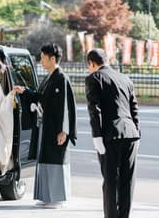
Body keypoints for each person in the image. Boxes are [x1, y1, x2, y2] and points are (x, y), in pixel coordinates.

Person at [85, 48, 140, 218]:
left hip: (110, 135)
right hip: (131, 133)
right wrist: (137, 132)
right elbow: (134, 109)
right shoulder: (125, 78)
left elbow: (95, 109)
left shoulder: (94, 78)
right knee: (127, 181)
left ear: (92, 63)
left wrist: (97, 137)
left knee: (110, 182)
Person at [26, 43, 77, 208]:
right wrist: (25, 92)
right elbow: (40, 97)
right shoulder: (49, 77)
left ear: (52, 58)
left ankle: (58, 198)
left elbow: (66, 107)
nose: (40, 61)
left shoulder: (61, 78)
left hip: (56, 128)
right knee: (46, 159)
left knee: (56, 160)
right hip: (46, 126)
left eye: (42, 57)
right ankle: (46, 196)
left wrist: (64, 130)